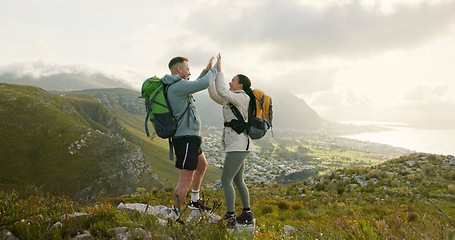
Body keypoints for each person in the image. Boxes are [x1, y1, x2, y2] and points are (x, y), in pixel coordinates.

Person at [162, 55, 219, 221]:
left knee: (202, 166)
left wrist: (206, 71)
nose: (189, 72)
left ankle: (194, 201)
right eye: (187, 69)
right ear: (179, 69)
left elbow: (196, 83)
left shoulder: (177, 85)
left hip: (191, 137)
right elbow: (204, 83)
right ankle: (175, 216)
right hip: (185, 138)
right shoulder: (176, 86)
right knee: (185, 179)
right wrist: (216, 68)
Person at [208, 54, 255, 226]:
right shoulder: (231, 99)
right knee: (237, 180)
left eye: (233, 80)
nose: (230, 82)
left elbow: (222, 91)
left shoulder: (243, 97)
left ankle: (230, 215)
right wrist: (210, 75)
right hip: (237, 143)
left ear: (240, 85)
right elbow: (215, 94)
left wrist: (220, 69)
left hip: (239, 144)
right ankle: (247, 213)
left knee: (226, 179)